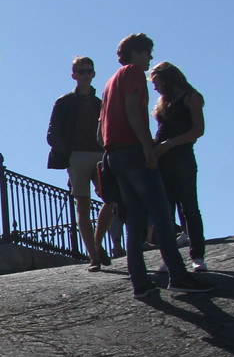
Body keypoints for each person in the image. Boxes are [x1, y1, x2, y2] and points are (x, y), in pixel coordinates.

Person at [99, 33, 211, 299]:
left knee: (135, 218)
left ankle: (140, 283)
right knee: (161, 211)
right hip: (132, 151)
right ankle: (178, 275)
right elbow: (132, 110)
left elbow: (101, 128)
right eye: (148, 51)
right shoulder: (133, 73)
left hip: (114, 154)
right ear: (137, 52)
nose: (150, 57)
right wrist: (147, 146)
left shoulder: (110, 82)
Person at [47, 56, 111, 269]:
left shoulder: (99, 103)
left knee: (111, 199)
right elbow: (52, 133)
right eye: (81, 71)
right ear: (74, 75)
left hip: (100, 155)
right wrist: (69, 153)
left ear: (94, 73)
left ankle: (97, 244)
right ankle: (93, 256)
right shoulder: (64, 102)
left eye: (89, 71)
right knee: (82, 206)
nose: (85, 75)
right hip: (77, 156)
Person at [151, 62, 207, 271]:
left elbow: (198, 130)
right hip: (161, 160)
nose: (155, 87)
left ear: (167, 79)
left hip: (182, 157)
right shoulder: (162, 101)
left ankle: (197, 255)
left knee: (189, 207)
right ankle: (170, 258)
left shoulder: (191, 97)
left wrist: (170, 144)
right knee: (166, 210)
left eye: (157, 82)